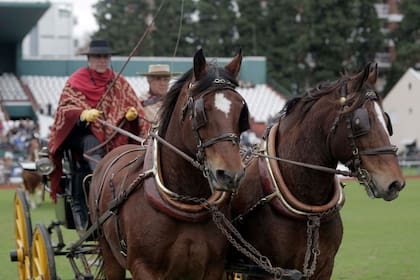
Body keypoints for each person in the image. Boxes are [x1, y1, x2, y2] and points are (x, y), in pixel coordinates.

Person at [48, 39, 150, 230]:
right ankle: (103, 186)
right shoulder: (76, 80)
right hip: (80, 136)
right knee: (91, 142)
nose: (102, 60)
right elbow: (65, 108)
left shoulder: (119, 82)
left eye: (105, 57)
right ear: (89, 59)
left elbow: (134, 106)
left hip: (113, 138)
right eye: (97, 57)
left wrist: (131, 116)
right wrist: (81, 115)